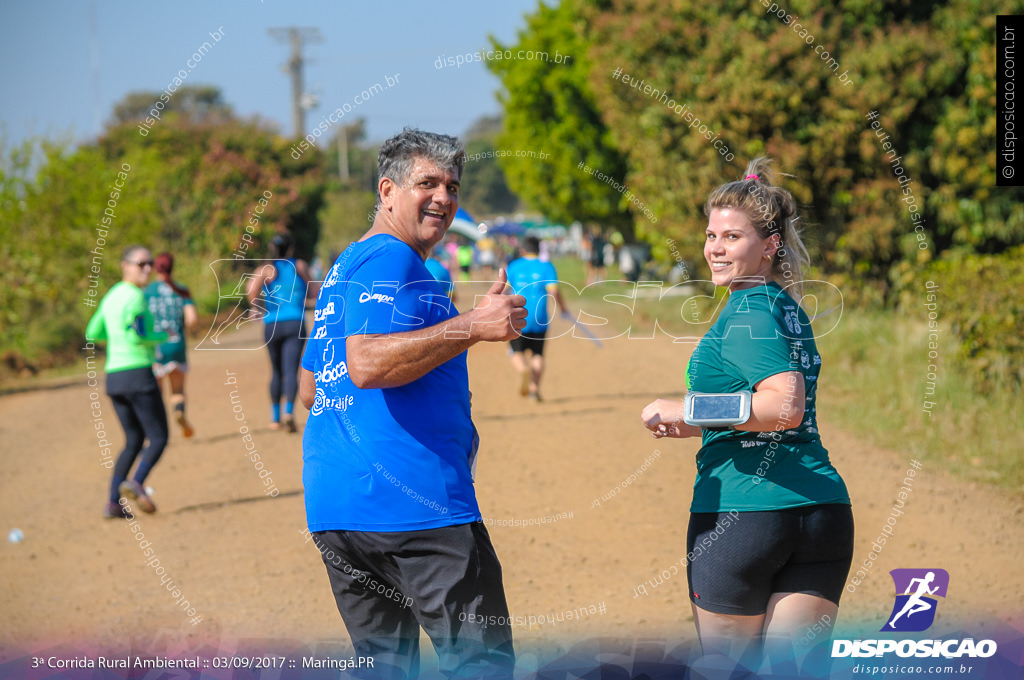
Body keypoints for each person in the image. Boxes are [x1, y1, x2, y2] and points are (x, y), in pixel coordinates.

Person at [298, 128, 526, 680]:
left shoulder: (345, 266)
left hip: (339, 510)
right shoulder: (391, 259)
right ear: (387, 190)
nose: (444, 197)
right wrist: (473, 325)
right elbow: (368, 364)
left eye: (452, 185)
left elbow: (311, 387)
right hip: (415, 507)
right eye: (427, 182)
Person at [639, 158, 852, 676]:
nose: (714, 248)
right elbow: (767, 408)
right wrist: (697, 423)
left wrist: (686, 407)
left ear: (770, 244)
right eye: (711, 234)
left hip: (745, 515)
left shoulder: (748, 311)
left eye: (732, 236)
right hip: (820, 512)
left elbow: (782, 406)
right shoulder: (785, 306)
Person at [86, 246, 169, 519]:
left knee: (133, 439)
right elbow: (139, 336)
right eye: (141, 264)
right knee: (158, 437)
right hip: (138, 374)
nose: (147, 269)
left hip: (115, 377)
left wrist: (118, 339)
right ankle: (136, 482)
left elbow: (92, 331)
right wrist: (163, 335)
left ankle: (112, 503)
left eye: (150, 264)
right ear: (126, 265)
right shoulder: (136, 297)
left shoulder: (111, 296)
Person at [246, 233, 316, 433]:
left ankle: (275, 419)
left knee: (276, 371)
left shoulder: (267, 269)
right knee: (291, 371)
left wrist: (255, 306)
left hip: (272, 325)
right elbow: (314, 291)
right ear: (291, 249)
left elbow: (250, 287)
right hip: (296, 322)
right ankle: (288, 413)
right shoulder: (299, 266)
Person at [505, 235, 570, 401]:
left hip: (518, 317)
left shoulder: (513, 266)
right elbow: (554, 291)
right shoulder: (547, 266)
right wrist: (563, 308)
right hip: (540, 319)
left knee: (515, 351)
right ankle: (534, 389)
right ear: (538, 250)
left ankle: (522, 370)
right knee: (538, 354)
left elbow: (504, 291)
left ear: (523, 249)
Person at [145, 252, 198, 438]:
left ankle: (156, 430)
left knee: (156, 394)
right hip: (177, 346)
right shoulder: (181, 289)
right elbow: (192, 319)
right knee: (177, 391)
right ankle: (179, 411)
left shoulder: (146, 291)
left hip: (155, 348)